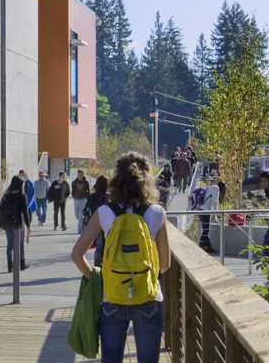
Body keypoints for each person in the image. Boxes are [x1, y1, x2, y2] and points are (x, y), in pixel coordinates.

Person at [71, 152, 171, 363]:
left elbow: (76, 255)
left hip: (112, 296)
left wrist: (97, 278)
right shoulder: (157, 212)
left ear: (116, 179)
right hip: (148, 296)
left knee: (111, 359)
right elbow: (165, 264)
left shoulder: (104, 212)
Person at [0, 175, 32, 271]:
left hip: (6, 222)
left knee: (10, 243)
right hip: (17, 222)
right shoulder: (21, 195)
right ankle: (22, 263)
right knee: (20, 243)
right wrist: (28, 225)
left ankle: (10, 265)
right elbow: (25, 211)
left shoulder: (6, 194)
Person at [83, 176, 110, 267]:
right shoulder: (108, 198)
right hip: (107, 224)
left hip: (96, 225)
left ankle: (97, 264)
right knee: (108, 246)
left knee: (99, 246)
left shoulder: (91, 197)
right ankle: (107, 264)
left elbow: (86, 211)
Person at [193, 181, 224, 254]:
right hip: (205, 211)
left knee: (206, 229)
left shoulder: (210, 188)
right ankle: (200, 246)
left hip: (200, 209)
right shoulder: (216, 189)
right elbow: (215, 202)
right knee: (206, 229)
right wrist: (214, 216)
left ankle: (207, 246)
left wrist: (213, 215)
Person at [20, 171, 36, 245]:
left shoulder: (30, 183)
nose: (21, 177)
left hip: (29, 207)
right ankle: (22, 238)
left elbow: (32, 196)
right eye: (20, 175)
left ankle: (28, 237)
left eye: (22, 175)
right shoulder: (18, 184)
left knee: (28, 223)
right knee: (22, 223)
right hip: (21, 207)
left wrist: (28, 205)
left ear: (25, 175)